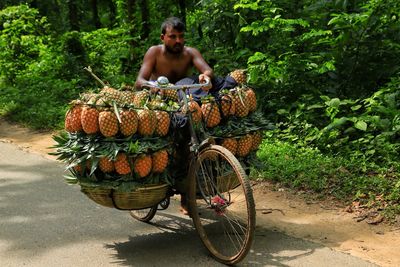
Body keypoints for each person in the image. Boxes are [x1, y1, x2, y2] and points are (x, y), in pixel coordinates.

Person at [135, 17, 213, 92]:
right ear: (162, 38)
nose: (178, 41)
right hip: (159, 98)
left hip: (186, 96)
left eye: (181, 36)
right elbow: (139, 81)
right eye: (173, 37)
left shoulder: (190, 53)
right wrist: (153, 85)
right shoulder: (154, 52)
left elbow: (208, 70)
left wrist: (205, 76)